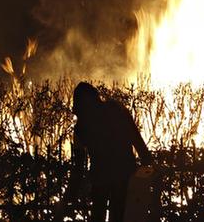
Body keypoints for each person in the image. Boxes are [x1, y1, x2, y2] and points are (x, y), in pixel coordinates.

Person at [54, 82, 153, 222]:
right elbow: (136, 140)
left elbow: (78, 166)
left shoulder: (81, 128)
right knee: (119, 214)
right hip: (123, 175)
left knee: (98, 215)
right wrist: (149, 166)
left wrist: (68, 198)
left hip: (101, 178)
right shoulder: (118, 111)